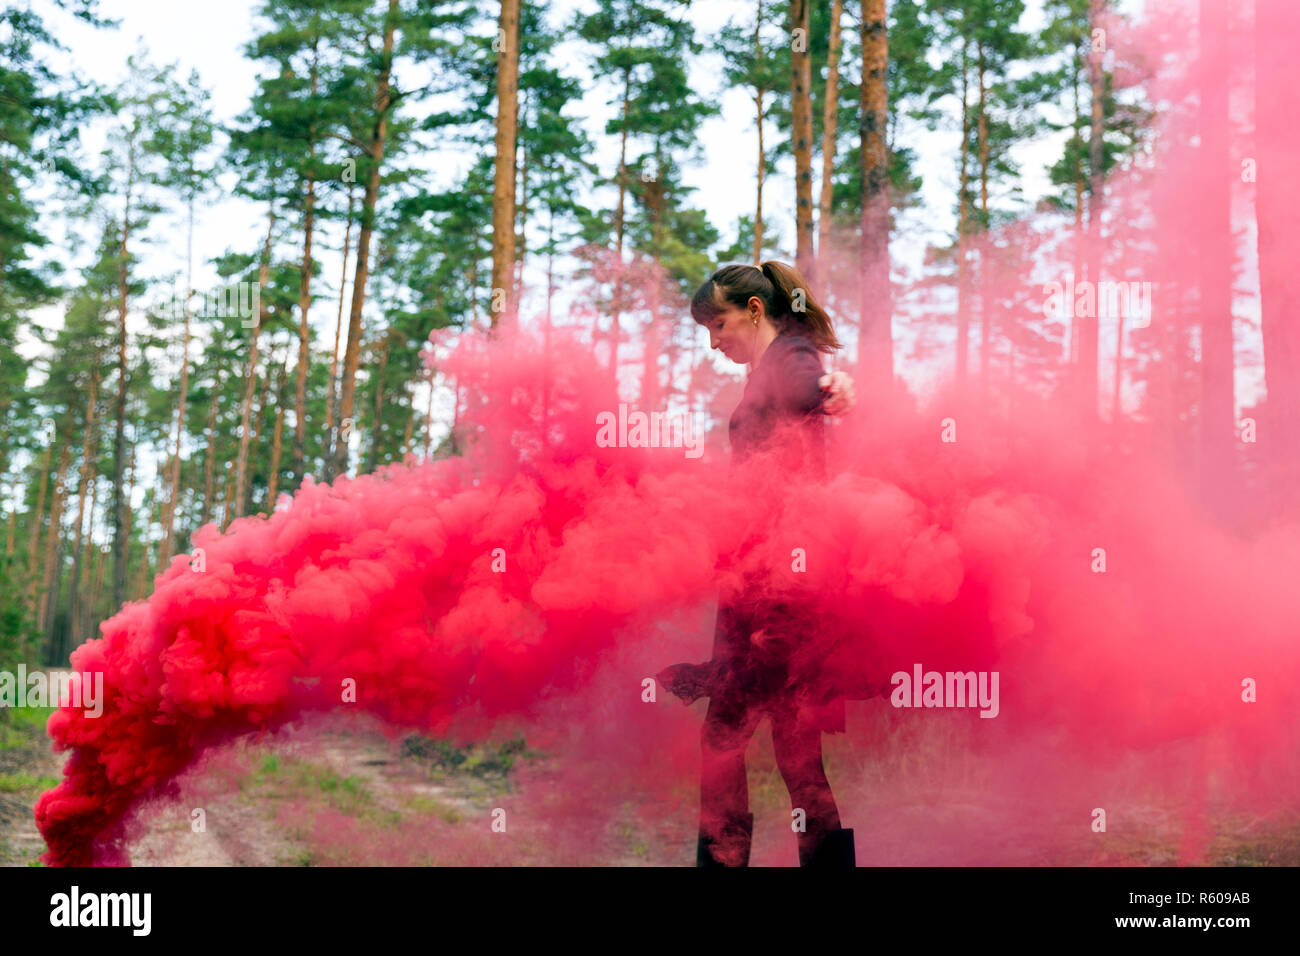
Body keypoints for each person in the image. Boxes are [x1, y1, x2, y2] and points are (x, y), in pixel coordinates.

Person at [657, 260, 858, 868]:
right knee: (792, 750)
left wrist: (839, 386)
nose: (712, 341)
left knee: (730, 741)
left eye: (716, 325)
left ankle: (722, 862)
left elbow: (814, 388)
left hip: (781, 592)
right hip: (767, 583)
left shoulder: (793, 361)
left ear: (752, 311)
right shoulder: (772, 368)